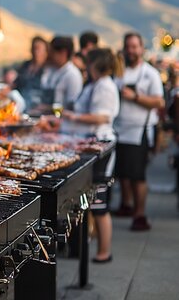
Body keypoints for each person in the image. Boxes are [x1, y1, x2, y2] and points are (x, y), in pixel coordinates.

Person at [61, 48, 121, 263]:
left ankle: (105, 251)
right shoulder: (96, 84)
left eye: (88, 63)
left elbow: (101, 117)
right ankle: (92, 243)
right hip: (92, 144)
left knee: (99, 201)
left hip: (101, 146)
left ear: (96, 64)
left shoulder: (105, 86)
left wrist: (72, 116)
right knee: (93, 199)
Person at [113, 32, 165, 231]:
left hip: (139, 130)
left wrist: (135, 97)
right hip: (120, 129)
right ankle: (126, 205)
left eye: (135, 47)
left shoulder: (150, 73)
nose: (132, 51)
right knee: (124, 173)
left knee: (137, 175)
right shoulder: (120, 72)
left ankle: (140, 215)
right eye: (129, 47)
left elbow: (159, 101)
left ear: (141, 48)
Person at [40, 36, 83, 111]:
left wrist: (48, 108)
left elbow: (72, 107)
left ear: (63, 53)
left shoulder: (72, 75)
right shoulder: (51, 70)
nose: (49, 55)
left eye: (52, 52)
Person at [15, 36, 48, 111]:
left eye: (39, 49)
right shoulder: (25, 65)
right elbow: (16, 83)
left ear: (46, 52)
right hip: (21, 108)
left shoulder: (48, 70)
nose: (36, 52)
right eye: (34, 48)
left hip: (38, 110)